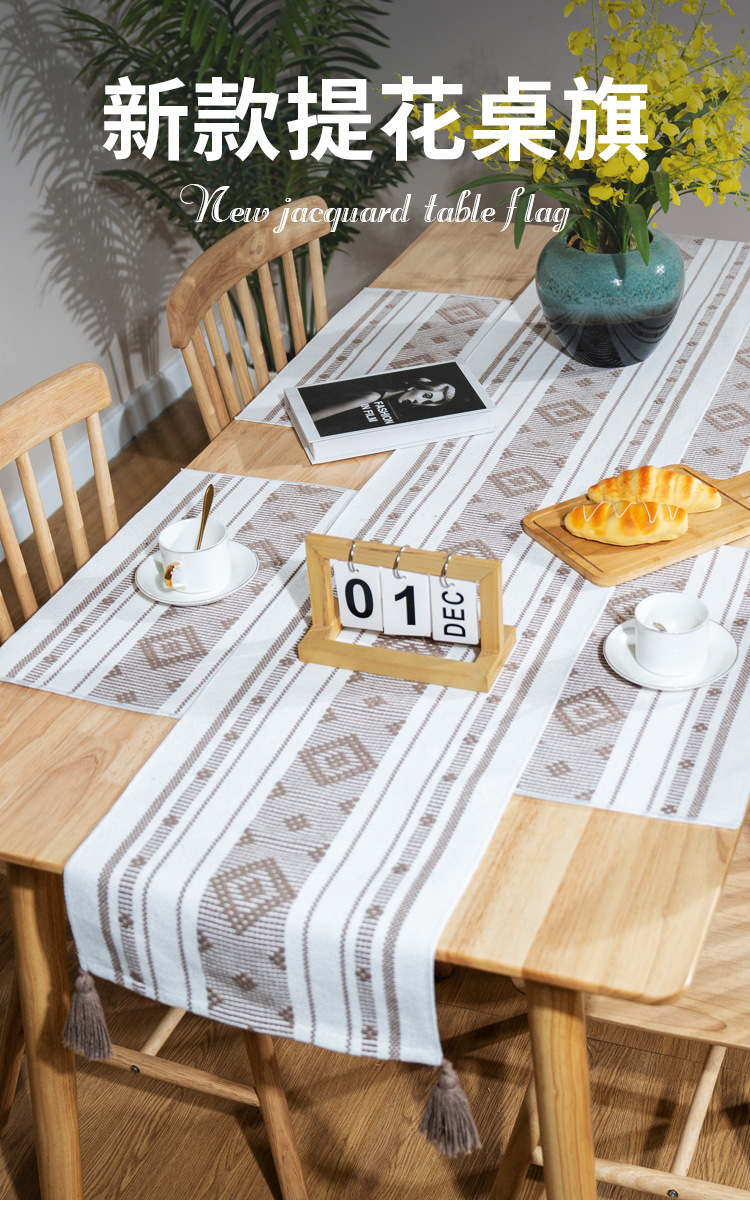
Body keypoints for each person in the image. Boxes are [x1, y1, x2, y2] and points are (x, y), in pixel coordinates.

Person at [306, 375, 458, 436]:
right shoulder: (372, 397)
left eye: (427, 402)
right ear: (415, 387)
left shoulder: (383, 397)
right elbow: (311, 418)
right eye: (426, 396)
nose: (420, 402)